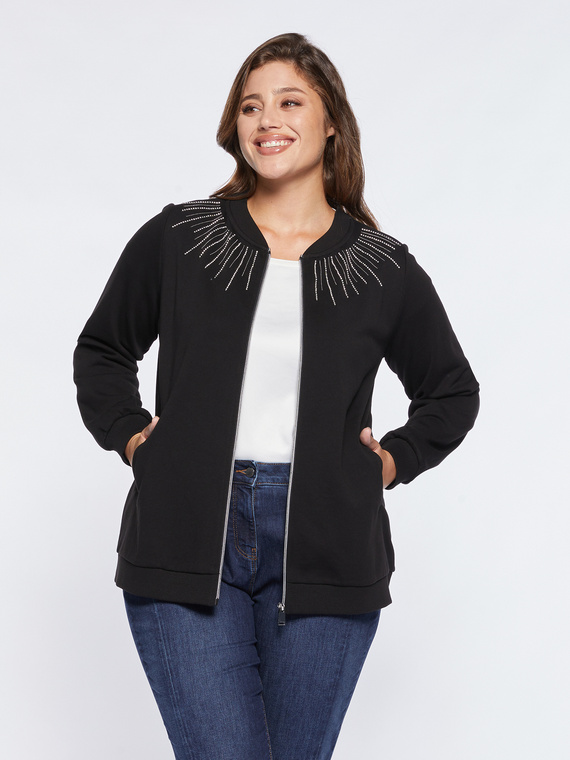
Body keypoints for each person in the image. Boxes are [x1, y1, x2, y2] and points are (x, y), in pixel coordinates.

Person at [73, 32, 479, 760]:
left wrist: (392, 461)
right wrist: (134, 437)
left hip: (329, 548)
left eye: (290, 102)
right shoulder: (180, 238)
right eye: (251, 106)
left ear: (331, 122)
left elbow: (451, 391)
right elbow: (102, 350)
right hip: (184, 534)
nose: (267, 120)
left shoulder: (382, 268)